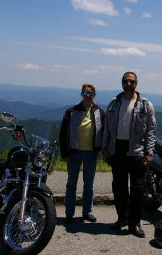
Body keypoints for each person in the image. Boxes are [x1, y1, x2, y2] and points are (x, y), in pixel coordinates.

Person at [102, 72, 157, 238]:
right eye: (126, 81)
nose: (128, 83)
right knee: (119, 187)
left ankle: (135, 222)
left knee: (137, 189)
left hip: (137, 151)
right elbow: (107, 129)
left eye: (131, 81)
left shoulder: (145, 105)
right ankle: (122, 218)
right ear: (122, 83)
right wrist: (105, 148)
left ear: (136, 84)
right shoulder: (113, 103)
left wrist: (149, 152)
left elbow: (151, 131)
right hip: (117, 149)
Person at [59, 84, 105, 224]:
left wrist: (104, 151)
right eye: (85, 92)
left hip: (91, 153)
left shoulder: (99, 112)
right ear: (81, 94)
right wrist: (65, 152)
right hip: (74, 153)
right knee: (71, 184)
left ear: (94, 95)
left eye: (90, 93)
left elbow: (104, 133)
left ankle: (87, 212)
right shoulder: (71, 112)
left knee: (88, 185)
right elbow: (63, 134)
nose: (88, 95)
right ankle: (69, 213)